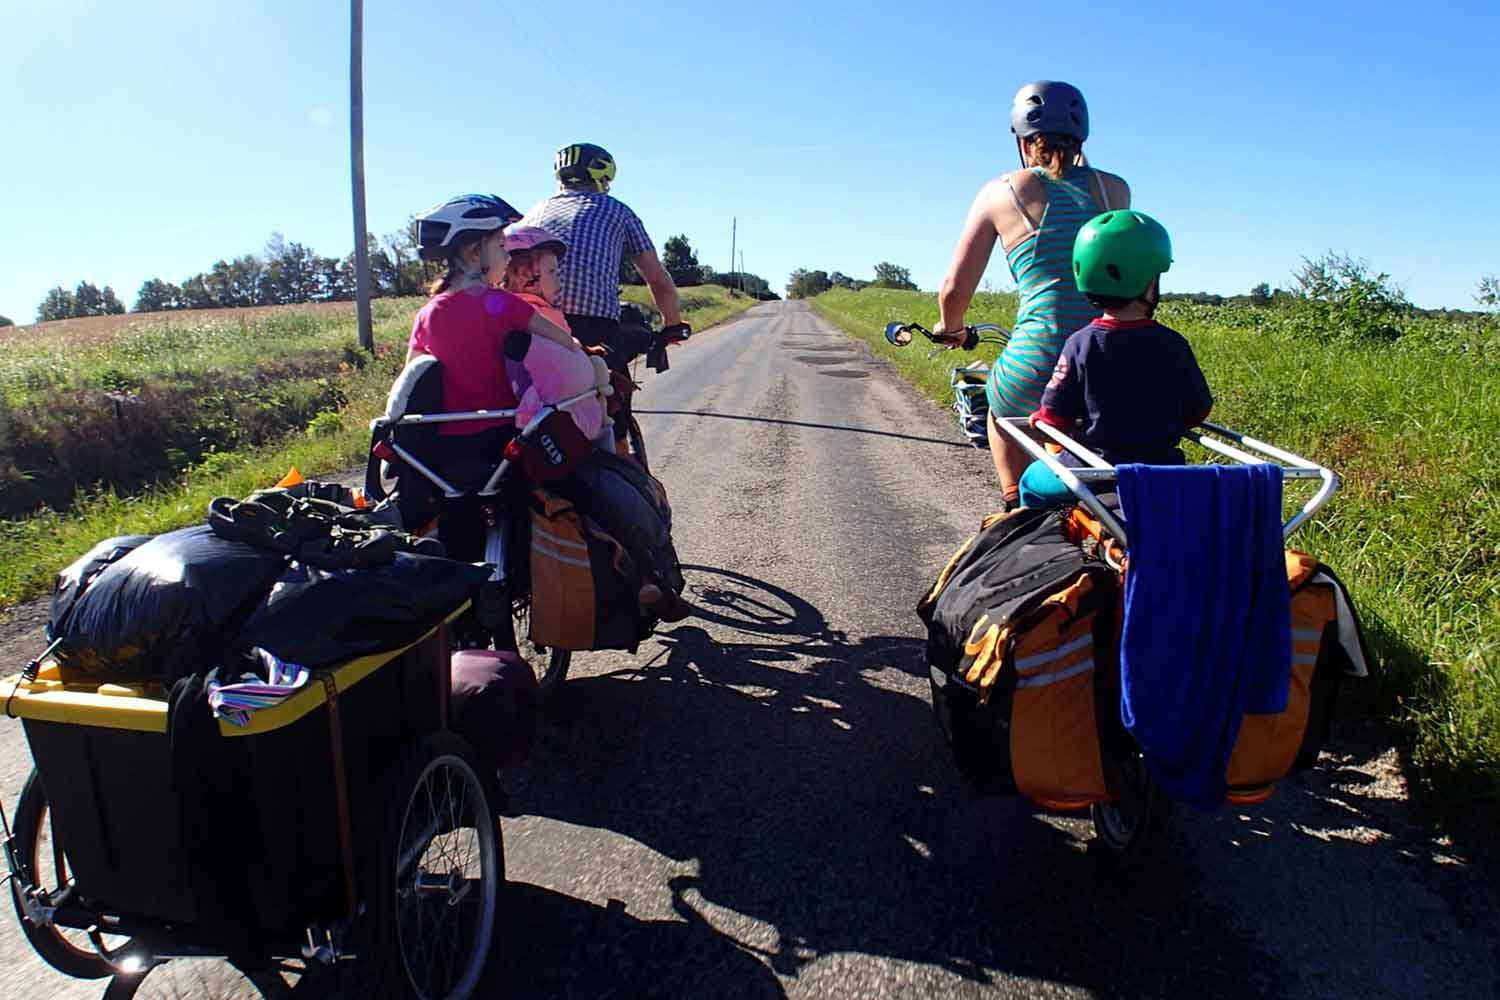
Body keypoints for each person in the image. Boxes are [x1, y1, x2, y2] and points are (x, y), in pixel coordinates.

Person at [933, 81, 1131, 510]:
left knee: (1000, 410)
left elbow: (953, 289)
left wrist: (950, 328)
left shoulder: (1000, 191)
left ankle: (1014, 510)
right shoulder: (1114, 190)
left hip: (1035, 360)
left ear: (1022, 141)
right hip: (1110, 361)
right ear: (1082, 138)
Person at [1018, 211, 1213, 508]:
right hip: (1162, 472)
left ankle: (1035, 542)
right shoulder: (1174, 344)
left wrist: (1042, 419)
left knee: (1030, 482)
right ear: (1148, 281)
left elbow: (1055, 418)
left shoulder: (1080, 344)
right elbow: (1197, 412)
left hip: (1092, 470)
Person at [519, 144, 691, 451]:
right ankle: (622, 463)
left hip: (530, 326)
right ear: (602, 177)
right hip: (593, 328)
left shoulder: (535, 211)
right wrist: (673, 325)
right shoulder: (617, 210)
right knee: (614, 415)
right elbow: (657, 280)